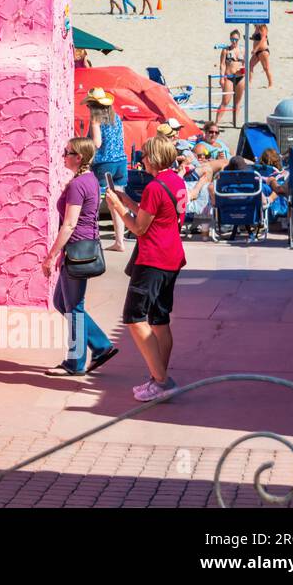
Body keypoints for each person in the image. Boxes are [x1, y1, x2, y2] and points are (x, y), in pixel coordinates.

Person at [105, 135, 187, 401]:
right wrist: (127, 201)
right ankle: (157, 377)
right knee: (160, 320)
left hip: (153, 258)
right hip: (172, 257)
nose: (142, 160)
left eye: (145, 155)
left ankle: (162, 380)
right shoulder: (175, 181)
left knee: (134, 318)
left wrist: (117, 207)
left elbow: (139, 227)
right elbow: (155, 213)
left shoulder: (154, 186)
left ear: (154, 157)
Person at [42, 137, 119, 376]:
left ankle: (75, 363)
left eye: (67, 152)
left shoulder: (78, 185)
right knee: (62, 303)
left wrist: (51, 255)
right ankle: (100, 346)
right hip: (79, 249)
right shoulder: (89, 180)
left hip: (77, 250)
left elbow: (70, 224)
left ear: (79, 157)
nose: (63, 154)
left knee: (74, 307)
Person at [86, 88, 128, 252]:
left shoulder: (95, 119)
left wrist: (84, 143)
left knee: (93, 201)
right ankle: (120, 241)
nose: (88, 108)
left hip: (104, 164)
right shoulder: (116, 117)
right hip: (121, 163)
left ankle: (90, 238)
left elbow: (96, 143)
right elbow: (121, 139)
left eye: (89, 105)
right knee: (116, 202)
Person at [214, 30, 247, 127]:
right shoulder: (226, 50)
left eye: (236, 39)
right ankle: (216, 122)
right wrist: (221, 78)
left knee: (237, 101)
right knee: (225, 101)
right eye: (232, 39)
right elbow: (222, 64)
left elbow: (245, 63)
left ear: (239, 39)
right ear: (230, 39)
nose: (234, 41)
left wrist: (244, 70)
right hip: (229, 77)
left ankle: (235, 122)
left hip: (240, 77)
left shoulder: (243, 50)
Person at [249, 24, 273, 88]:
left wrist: (255, 49)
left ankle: (270, 84)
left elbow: (263, 39)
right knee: (251, 65)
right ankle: (249, 82)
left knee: (266, 68)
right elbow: (257, 39)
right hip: (257, 52)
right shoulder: (256, 27)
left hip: (263, 51)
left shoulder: (262, 27)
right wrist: (249, 38)